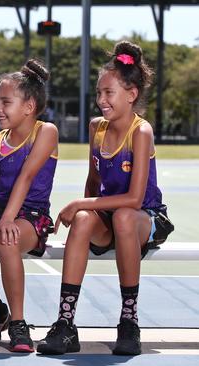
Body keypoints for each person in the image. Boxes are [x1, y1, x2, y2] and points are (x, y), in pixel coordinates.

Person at [37, 40, 174, 356]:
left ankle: (129, 320)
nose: (101, 100)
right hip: (110, 216)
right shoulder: (96, 127)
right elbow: (94, 181)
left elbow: (136, 198)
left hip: (145, 217)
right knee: (84, 219)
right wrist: (85, 217)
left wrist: (82, 204)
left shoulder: (141, 132)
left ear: (131, 94)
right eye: (98, 93)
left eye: (108, 93)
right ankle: (66, 324)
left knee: (123, 216)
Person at [0, 59, 58, 353]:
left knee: (6, 240)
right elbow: (2, 188)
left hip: (31, 214)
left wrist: (7, 220)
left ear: (29, 106)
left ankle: (18, 322)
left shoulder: (46, 132)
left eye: (6, 102)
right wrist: (0, 217)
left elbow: (27, 177)